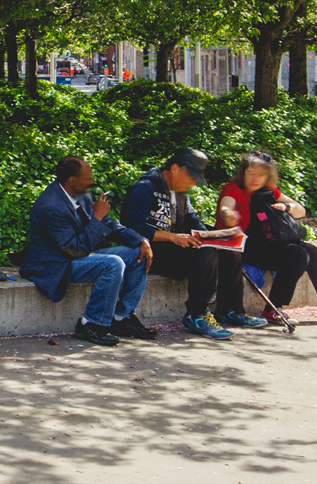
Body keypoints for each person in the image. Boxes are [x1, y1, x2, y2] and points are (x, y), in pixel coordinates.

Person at [123, 146, 258, 340]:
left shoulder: (180, 192)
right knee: (207, 253)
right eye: (192, 176)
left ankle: (230, 308)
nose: (194, 182)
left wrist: (215, 237)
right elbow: (131, 227)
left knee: (228, 251)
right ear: (176, 168)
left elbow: (193, 221)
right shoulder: (144, 188)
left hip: (177, 248)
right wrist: (171, 237)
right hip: (153, 253)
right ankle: (197, 314)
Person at [217, 152, 317, 327]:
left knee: (311, 251)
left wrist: (286, 207)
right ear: (243, 172)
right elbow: (225, 207)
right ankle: (273, 309)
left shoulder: (270, 191)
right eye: (251, 173)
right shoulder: (232, 189)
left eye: (261, 174)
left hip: (269, 245)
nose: (256, 178)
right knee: (298, 254)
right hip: (242, 246)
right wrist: (228, 214)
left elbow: (301, 211)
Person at [20, 155, 151, 347]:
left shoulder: (81, 194)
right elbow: (76, 249)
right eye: (87, 178)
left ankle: (121, 317)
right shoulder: (50, 206)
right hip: (55, 264)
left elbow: (108, 223)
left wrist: (140, 240)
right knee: (113, 264)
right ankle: (91, 324)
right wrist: (96, 218)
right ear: (72, 181)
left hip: (77, 255)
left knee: (136, 254)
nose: (92, 182)